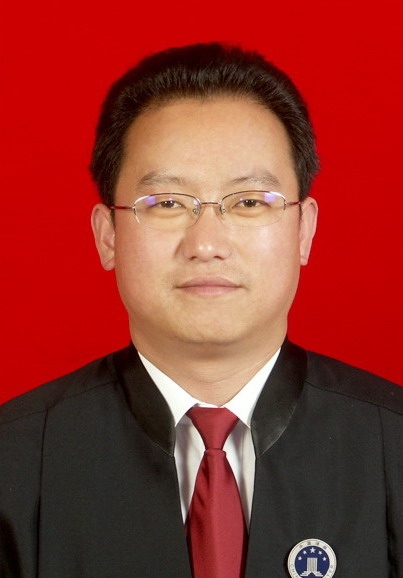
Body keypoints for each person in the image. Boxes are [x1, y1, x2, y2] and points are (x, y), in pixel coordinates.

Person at [1, 42, 402, 578]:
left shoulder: (392, 446)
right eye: (166, 203)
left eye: (249, 201)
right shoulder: (15, 463)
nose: (207, 244)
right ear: (107, 235)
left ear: (304, 230)